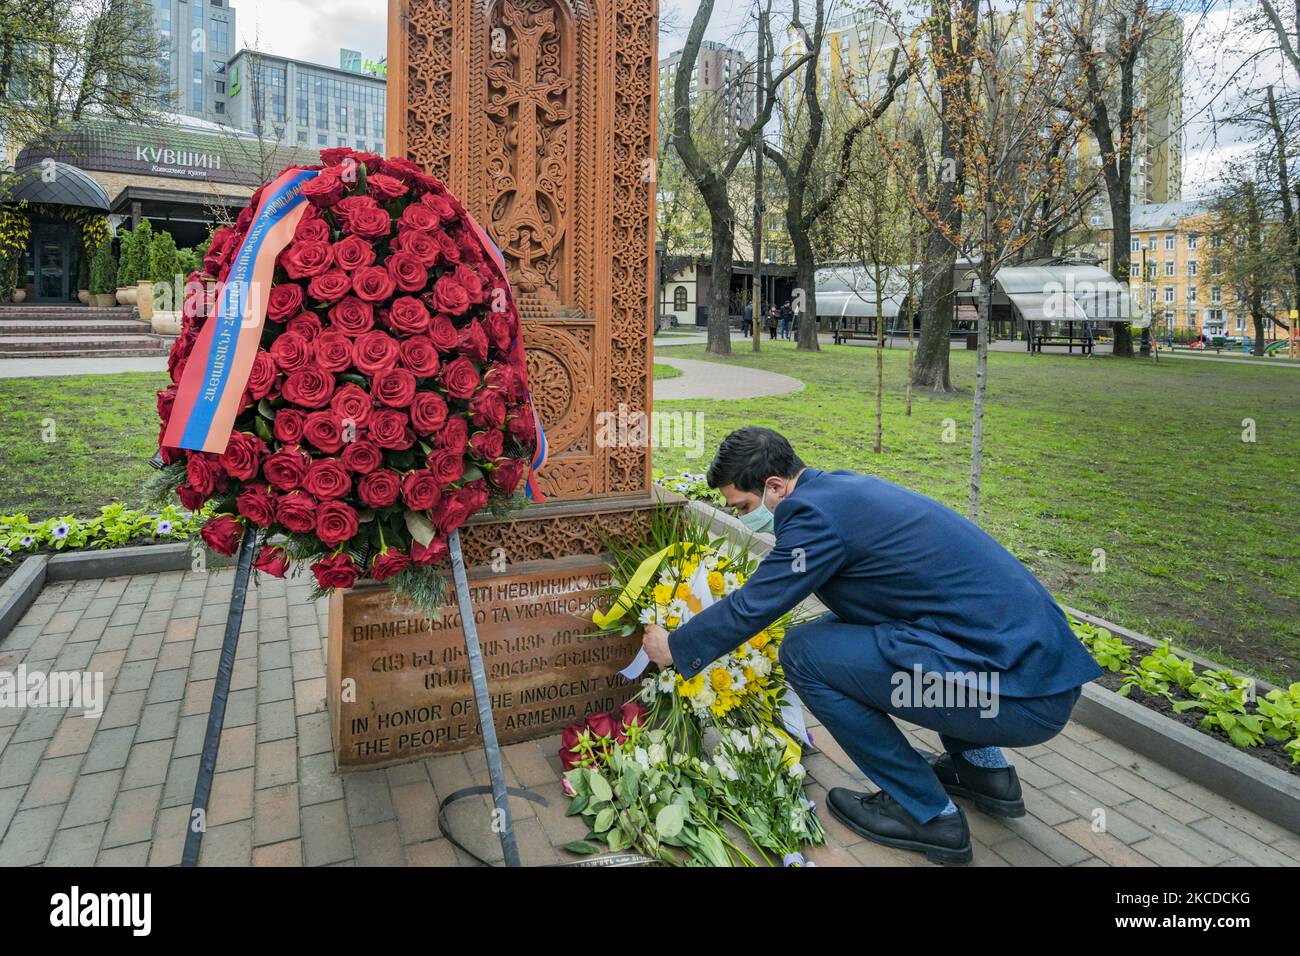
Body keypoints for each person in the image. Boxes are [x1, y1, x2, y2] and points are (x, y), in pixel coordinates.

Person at [640, 427, 1103, 866]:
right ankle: (982, 771)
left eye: (742, 507)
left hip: (1017, 700)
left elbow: (756, 605)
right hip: (1035, 673)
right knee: (837, 633)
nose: (743, 519)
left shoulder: (811, 517)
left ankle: (927, 814)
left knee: (804, 654)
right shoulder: (838, 490)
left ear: (776, 486)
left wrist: (676, 647)